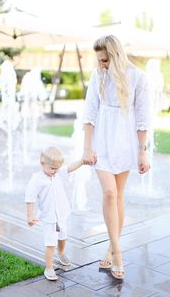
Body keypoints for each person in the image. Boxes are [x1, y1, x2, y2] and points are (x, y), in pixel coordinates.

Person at [83, 35, 150, 280]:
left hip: (125, 142)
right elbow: (90, 111)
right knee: (109, 193)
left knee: (119, 195)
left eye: (104, 60)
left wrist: (143, 150)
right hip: (102, 141)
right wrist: (86, 148)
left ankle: (111, 248)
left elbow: (143, 117)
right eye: (99, 60)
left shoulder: (138, 77)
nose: (101, 65)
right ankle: (119, 252)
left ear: (115, 56)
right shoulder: (97, 76)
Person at [25, 146, 83, 281]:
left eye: (57, 168)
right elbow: (30, 199)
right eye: (52, 168)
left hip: (61, 214)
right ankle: (49, 267)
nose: (55, 171)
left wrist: (82, 161)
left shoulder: (57, 173)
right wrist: (30, 216)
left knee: (63, 237)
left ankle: (61, 252)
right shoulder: (36, 180)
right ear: (42, 163)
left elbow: (70, 168)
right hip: (48, 218)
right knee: (50, 243)